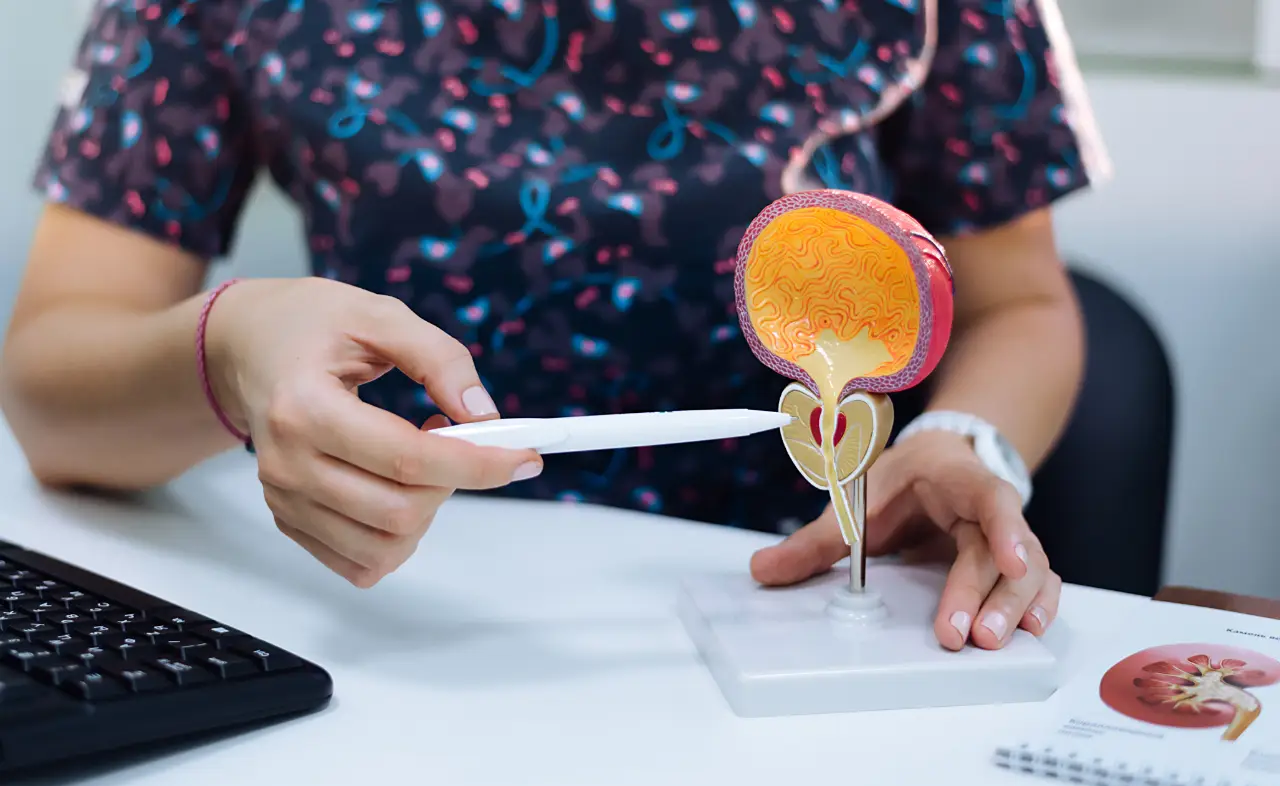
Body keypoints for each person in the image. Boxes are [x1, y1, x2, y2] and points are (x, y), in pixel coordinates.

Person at [0, 0, 1110, 652]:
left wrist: (965, 435)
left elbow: (1019, 303)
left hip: (796, 621)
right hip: (391, 624)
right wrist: (231, 349)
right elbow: (51, 386)